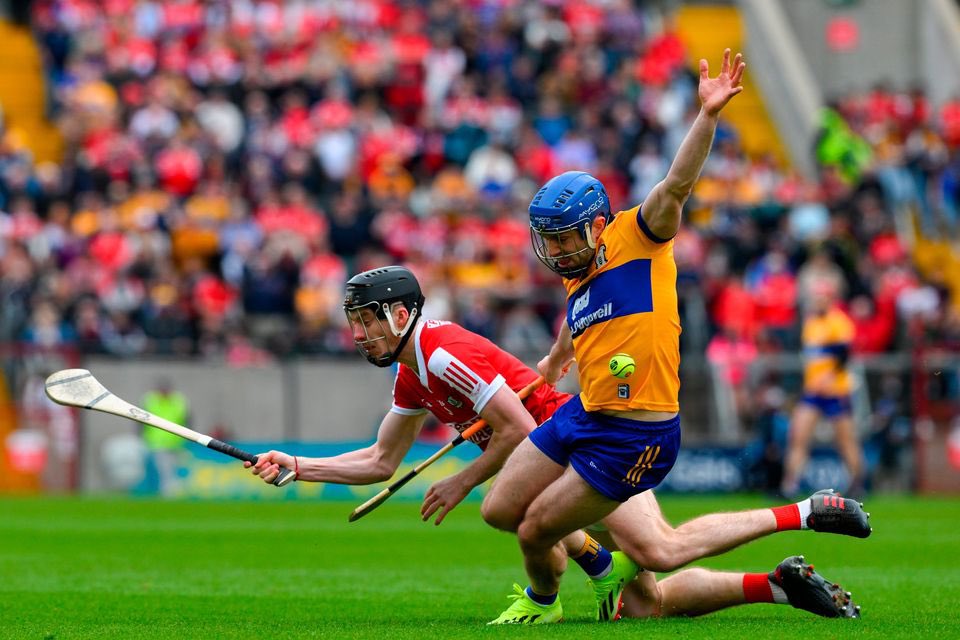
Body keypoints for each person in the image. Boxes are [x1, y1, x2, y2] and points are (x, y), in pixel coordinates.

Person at [477, 49, 861, 624]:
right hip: (586, 413)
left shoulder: (641, 234)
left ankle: (804, 511)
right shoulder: (576, 279)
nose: (555, 251)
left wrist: (706, 115)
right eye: (548, 241)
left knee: (625, 544)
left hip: (635, 433)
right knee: (502, 511)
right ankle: (606, 571)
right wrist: (556, 358)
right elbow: (580, 323)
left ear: (598, 224)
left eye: (564, 238)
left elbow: (677, 183)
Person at [248, 265, 867, 621]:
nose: (357, 334)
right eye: (353, 322)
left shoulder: (440, 352)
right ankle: (778, 584)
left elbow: (520, 428)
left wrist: (466, 476)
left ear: (401, 315)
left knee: (645, 544)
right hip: (552, 456)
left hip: (579, 441)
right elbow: (380, 460)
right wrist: (296, 466)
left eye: (366, 319)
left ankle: (806, 511)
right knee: (647, 598)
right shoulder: (413, 372)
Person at [781, 278, 865, 497]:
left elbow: (845, 355)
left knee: (846, 441)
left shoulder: (839, 321)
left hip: (836, 391)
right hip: (813, 391)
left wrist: (829, 377)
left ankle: (858, 483)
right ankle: (789, 484)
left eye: (820, 297)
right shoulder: (811, 323)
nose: (816, 301)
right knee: (798, 435)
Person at [141, 377, 190, 496]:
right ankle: (169, 493)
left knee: (176, 468)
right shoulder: (150, 400)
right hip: (158, 442)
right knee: (165, 469)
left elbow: (186, 418)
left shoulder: (178, 401)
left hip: (176, 441)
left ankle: (175, 490)